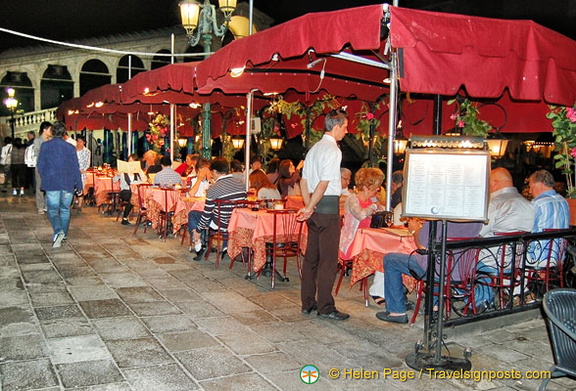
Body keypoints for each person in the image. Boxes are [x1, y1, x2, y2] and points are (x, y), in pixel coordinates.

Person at [297, 109, 349, 321]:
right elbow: (324, 183)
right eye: (345, 128)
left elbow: (303, 181)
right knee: (327, 261)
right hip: (326, 209)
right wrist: (310, 206)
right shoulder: (333, 150)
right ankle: (325, 307)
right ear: (335, 127)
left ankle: (307, 303)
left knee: (311, 259)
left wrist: (309, 205)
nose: (346, 132)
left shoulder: (314, 149)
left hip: (315, 207)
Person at [377, 220, 483, 324]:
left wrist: (415, 230)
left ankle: (396, 312)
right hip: (463, 270)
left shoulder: (437, 218)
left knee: (390, 259)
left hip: (438, 269)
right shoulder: (476, 219)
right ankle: (434, 307)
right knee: (438, 264)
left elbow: (422, 247)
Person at [476, 167, 535, 305]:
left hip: (492, 261)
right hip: (517, 261)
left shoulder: (494, 204)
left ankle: (481, 300)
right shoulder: (528, 204)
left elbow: (478, 233)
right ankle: (515, 292)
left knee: (459, 258)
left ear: (495, 182)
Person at [338, 167, 386, 305]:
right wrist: (374, 207)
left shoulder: (373, 200)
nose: (378, 189)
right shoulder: (352, 199)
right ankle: (377, 291)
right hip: (352, 243)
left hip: (367, 241)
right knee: (381, 255)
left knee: (387, 253)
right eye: (375, 187)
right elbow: (360, 215)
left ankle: (382, 289)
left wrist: (380, 207)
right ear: (366, 187)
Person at [187, 158, 246, 259]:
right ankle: (225, 247)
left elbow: (207, 214)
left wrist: (198, 230)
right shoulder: (241, 184)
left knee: (192, 214)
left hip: (221, 223)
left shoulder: (214, 189)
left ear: (214, 171)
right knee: (227, 214)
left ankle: (198, 245)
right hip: (237, 222)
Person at [37, 121, 82, 249]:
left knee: (52, 209)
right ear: (64, 133)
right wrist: (79, 185)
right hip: (67, 183)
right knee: (65, 209)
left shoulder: (45, 146)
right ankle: (64, 234)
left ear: (52, 132)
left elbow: (40, 165)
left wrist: (46, 176)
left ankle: (58, 231)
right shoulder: (70, 148)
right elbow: (75, 167)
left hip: (52, 183)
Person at [527, 170, 570, 267]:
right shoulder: (563, 201)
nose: (530, 191)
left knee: (507, 259)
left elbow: (526, 228)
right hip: (559, 257)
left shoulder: (537, 203)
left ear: (540, 184)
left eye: (531, 187)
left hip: (539, 258)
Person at [114, 154, 144, 226]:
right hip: (125, 191)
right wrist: (118, 175)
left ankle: (142, 217)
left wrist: (140, 172)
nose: (131, 162)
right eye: (129, 160)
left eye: (133, 161)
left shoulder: (138, 172)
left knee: (137, 197)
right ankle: (125, 217)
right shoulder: (123, 171)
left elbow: (144, 180)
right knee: (132, 197)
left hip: (135, 192)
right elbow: (114, 180)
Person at [34, 122, 52, 214]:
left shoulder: (51, 140)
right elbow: (38, 154)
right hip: (41, 166)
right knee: (40, 187)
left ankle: (47, 205)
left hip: (50, 167)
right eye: (50, 129)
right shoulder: (38, 140)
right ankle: (40, 206)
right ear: (44, 130)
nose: (51, 131)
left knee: (49, 187)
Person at [74, 135, 91, 211]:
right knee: (72, 188)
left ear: (84, 142)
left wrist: (83, 169)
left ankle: (80, 204)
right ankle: (74, 201)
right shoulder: (72, 150)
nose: (79, 143)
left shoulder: (87, 151)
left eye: (81, 141)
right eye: (78, 141)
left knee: (80, 188)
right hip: (73, 172)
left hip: (82, 173)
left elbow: (87, 162)